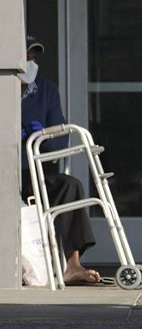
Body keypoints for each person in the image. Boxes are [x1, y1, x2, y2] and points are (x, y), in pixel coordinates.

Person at [18, 35, 100, 285]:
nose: (31, 62)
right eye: (26, 57)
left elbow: (60, 141)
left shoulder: (46, 90)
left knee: (70, 185)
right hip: (7, 171)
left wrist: (39, 134)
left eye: (33, 57)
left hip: (35, 170)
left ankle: (71, 265)